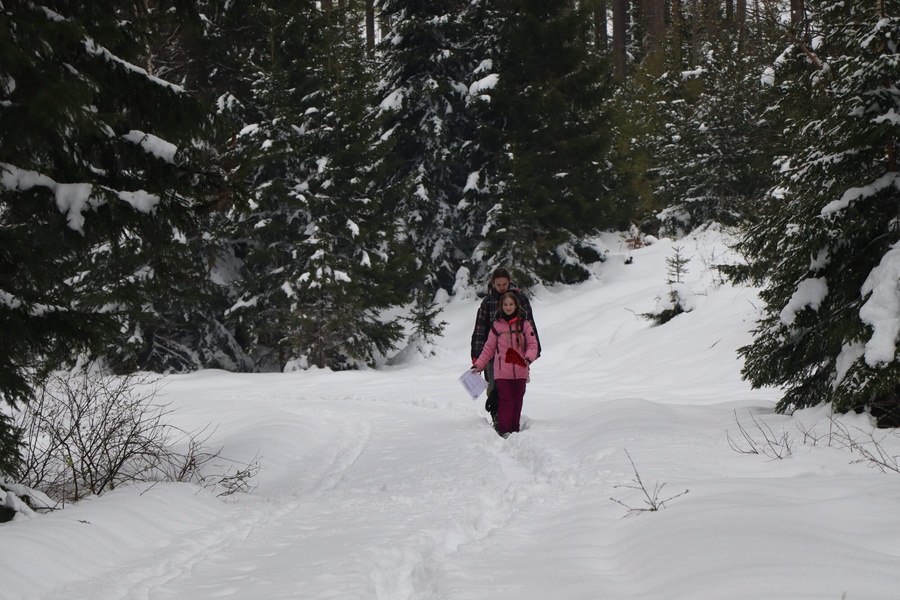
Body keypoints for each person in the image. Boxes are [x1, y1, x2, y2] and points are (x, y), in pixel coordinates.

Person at [470, 268, 540, 423]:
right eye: (498, 284)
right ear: (493, 283)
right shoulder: (488, 302)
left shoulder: (520, 299)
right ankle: (497, 416)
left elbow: (530, 326)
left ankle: (511, 418)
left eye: (504, 284)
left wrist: (535, 351)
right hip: (493, 352)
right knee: (495, 386)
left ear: (509, 282)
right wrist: (477, 354)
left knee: (515, 388)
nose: (501, 287)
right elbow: (480, 329)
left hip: (517, 352)